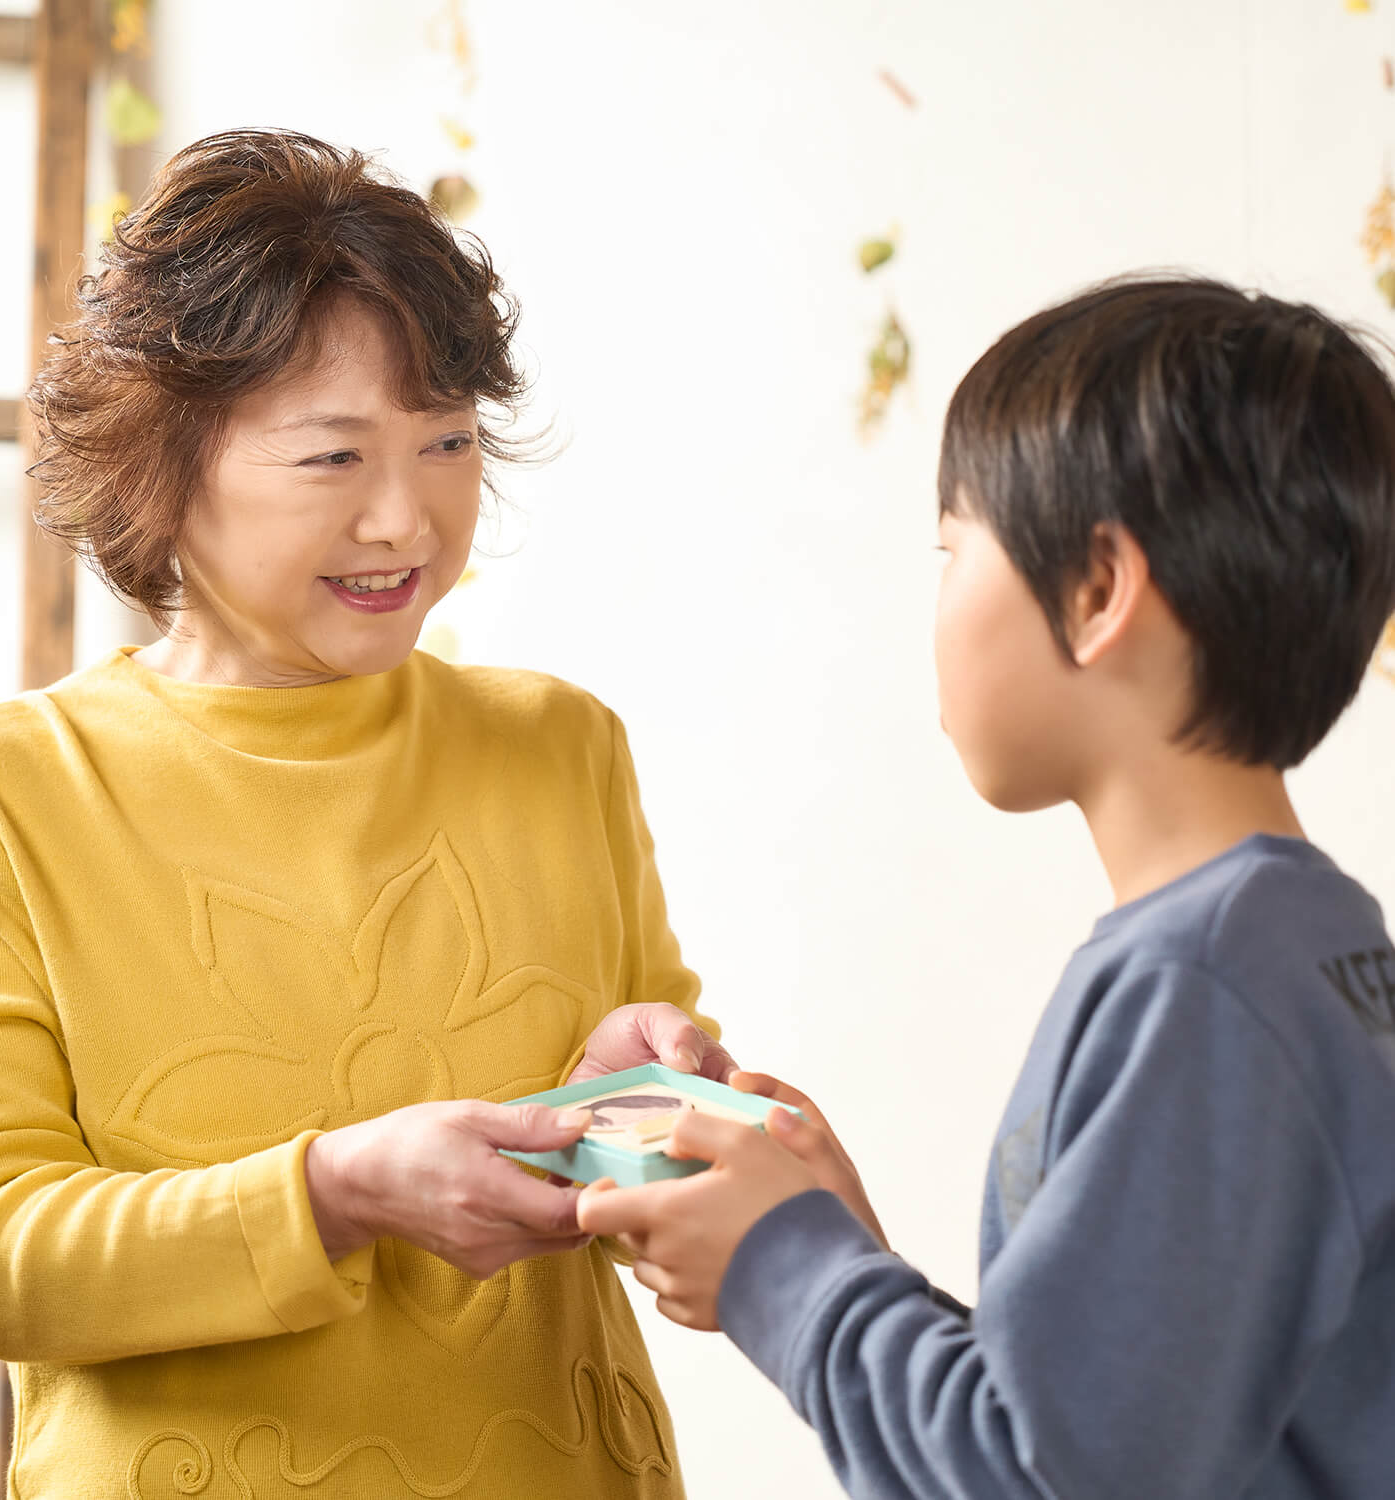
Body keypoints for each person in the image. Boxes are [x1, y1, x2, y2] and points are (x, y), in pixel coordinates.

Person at [0, 129, 732, 1500]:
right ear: (160, 468)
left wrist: (650, 1090)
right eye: (333, 458)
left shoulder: (560, 744)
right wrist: (334, 1193)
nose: (405, 518)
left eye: (448, 441)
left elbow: (642, 1127)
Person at [578, 277, 1395, 1500]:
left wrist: (787, 1268)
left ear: (1098, 591)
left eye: (954, 547)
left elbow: (1047, 1481)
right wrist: (857, 1268)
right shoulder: (1306, 946)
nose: (940, 598)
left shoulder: (1206, 985)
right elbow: (1123, 1430)